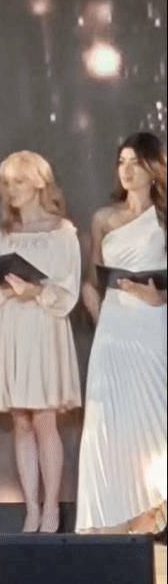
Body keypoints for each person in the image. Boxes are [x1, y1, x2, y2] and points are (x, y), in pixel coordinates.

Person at [0, 151, 81, 534]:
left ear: (39, 182)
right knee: (20, 420)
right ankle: (31, 510)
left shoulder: (62, 232)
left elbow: (67, 290)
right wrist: (7, 292)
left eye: (18, 181)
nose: (11, 189)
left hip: (42, 326)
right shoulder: (0, 233)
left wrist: (35, 292)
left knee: (44, 418)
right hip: (10, 326)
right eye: (6, 183)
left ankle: (51, 508)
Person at [76, 133, 166, 534]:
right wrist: (101, 318)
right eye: (122, 162)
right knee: (106, 423)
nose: (127, 170)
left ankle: (150, 516)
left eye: (136, 162)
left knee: (151, 421)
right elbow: (91, 280)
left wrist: (159, 298)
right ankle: (107, 521)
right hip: (112, 330)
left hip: (151, 325)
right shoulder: (104, 218)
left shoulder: (163, 219)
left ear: (154, 168)